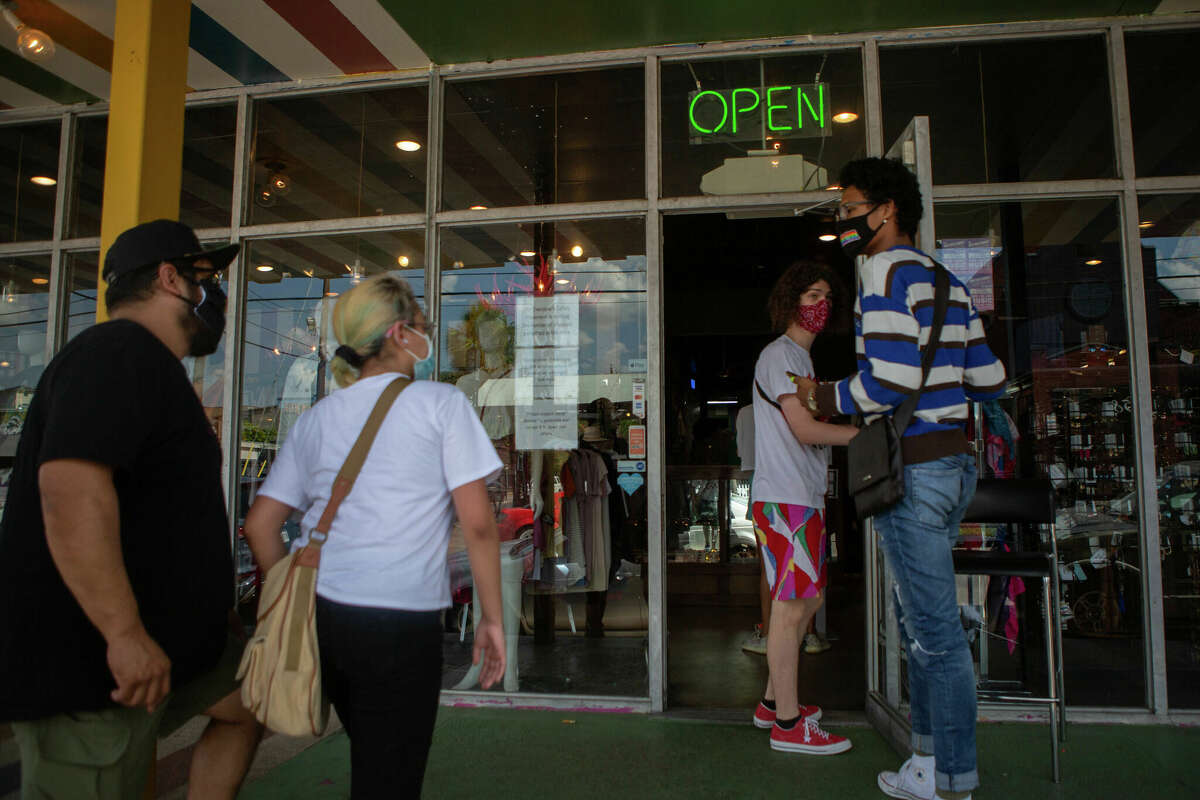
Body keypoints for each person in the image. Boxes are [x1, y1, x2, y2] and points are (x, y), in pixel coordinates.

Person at [0, 219, 262, 799]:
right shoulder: (114, 353)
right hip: (93, 671)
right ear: (170, 279)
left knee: (246, 704)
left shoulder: (150, 367)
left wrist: (213, 612)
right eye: (203, 280)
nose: (210, 297)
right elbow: (70, 492)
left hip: (174, 649)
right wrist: (122, 633)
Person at [242, 273, 506, 798]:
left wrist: (286, 594)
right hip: (398, 619)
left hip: (323, 615)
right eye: (424, 326)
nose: (429, 336)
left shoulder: (316, 419)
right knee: (390, 776)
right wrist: (492, 620)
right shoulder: (441, 405)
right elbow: (477, 524)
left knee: (371, 756)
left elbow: (260, 526)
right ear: (399, 334)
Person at [792, 157, 1007, 800]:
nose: (845, 221)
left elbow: (889, 381)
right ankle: (929, 762)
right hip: (954, 467)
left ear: (886, 210)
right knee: (923, 627)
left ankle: (949, 778)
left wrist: (822, 395)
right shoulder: (946, 278)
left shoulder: (880, 271)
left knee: (935, 635)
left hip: (912, 469)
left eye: (852, 209)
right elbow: (990, 379)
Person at [750, 261, 859, 755]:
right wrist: (867, 436)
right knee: (793, 608)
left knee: (808, 601)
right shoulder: (780, 356)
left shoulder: (802, 362)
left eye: (826, 298)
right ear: (790, 301)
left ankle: (773, 705)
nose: (820, 306)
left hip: (801, 498)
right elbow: (805, 430)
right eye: (811, 296)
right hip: (784, 499)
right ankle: (789, 726)